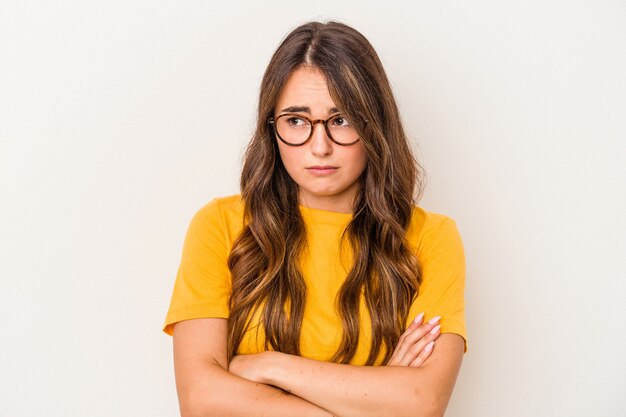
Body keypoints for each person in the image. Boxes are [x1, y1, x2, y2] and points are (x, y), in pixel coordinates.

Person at [163, 20, 467, 417]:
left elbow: (421, 402)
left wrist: (269, 365)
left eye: (340, 120)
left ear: (374, 125)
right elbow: (201, 399)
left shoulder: (431, 238)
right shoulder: (220, 225)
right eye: (296, 121)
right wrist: (371, 398)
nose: (319, 147)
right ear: (271, 128)